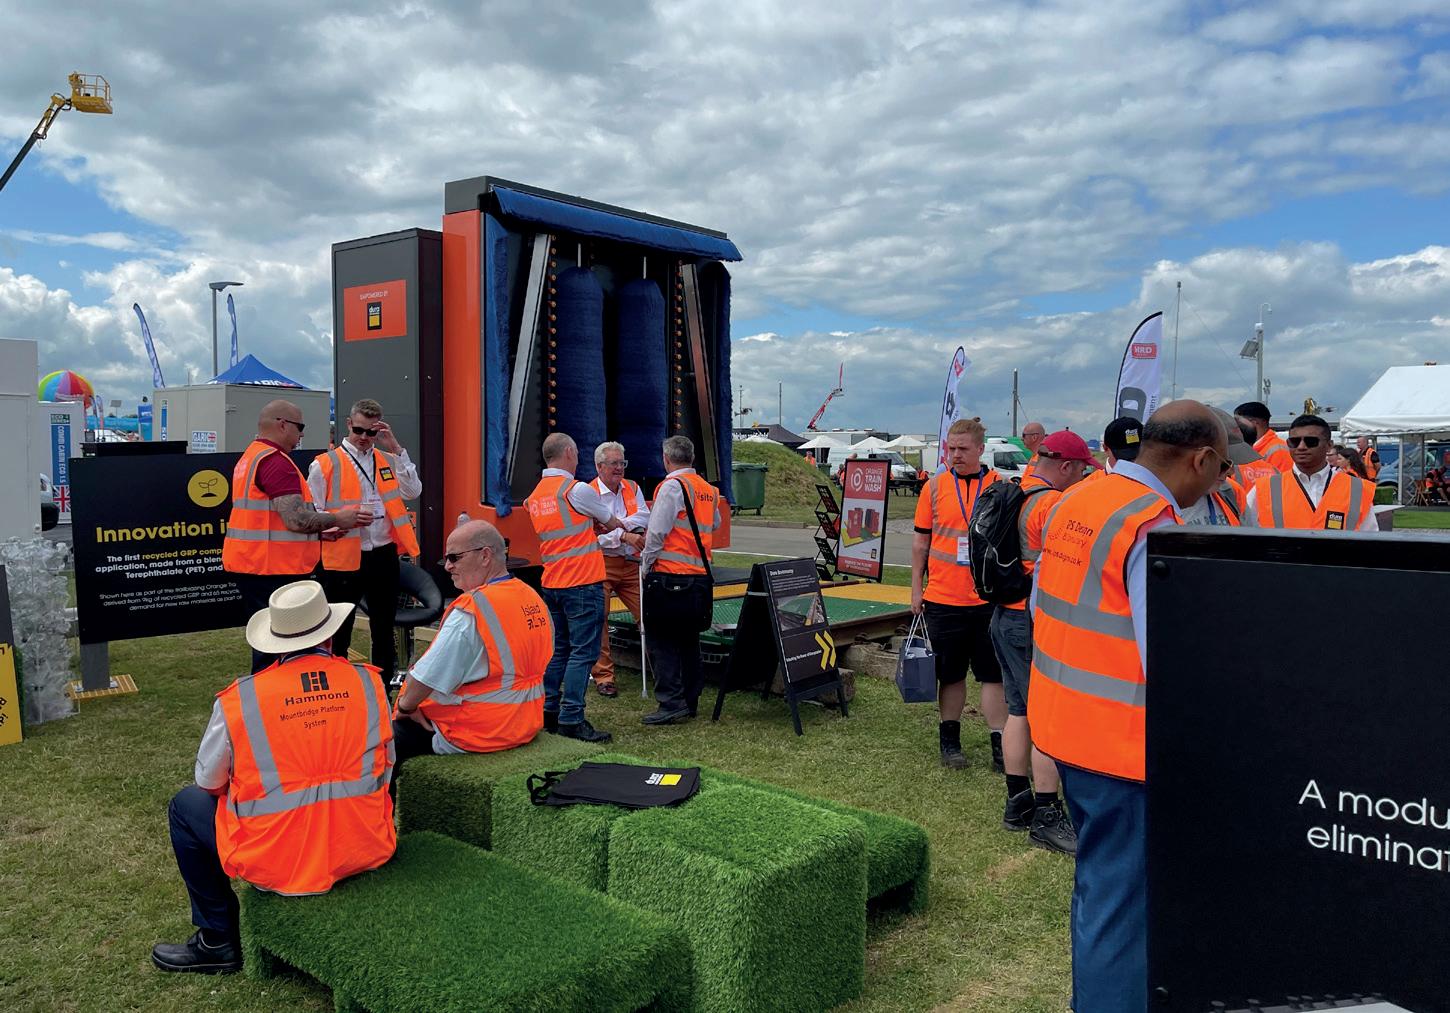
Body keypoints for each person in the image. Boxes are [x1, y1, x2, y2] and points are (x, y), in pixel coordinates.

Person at [1029, 400, 1228, 1011]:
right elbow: (1167, 657)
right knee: (1122, 903)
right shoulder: (1151, 525)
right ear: (1201, 459)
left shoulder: (1079, 500)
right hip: (1124, 750)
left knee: (1102, 889)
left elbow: (1043, 605)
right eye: (1223, 468)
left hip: (1067, 729)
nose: (1220, 482)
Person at [152, 580, 394, 975]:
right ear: (330, 634)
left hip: (280, 862)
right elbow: (386, 764)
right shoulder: (369, 682)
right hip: (364, 845)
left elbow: (208, 782)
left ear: (274, 642)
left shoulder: (242, 699)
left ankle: (217, 940)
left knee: (186, 806)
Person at [991, 430, 1092, 854]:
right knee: (1046, 717)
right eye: (1082, 470)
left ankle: (1018, 803)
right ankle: (1048, 814)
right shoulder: (1051, 504)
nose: (1083, 478)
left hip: (1003, 614)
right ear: (1066, 466)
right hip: (1031, 621)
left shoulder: (1015, 489)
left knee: (1019, 711)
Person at [223, 400, 371, 674]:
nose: (302, 434)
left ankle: (268, 693)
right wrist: (339, 518)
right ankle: (277, 696)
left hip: (257, 566)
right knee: (282, 650)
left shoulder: (251, 457)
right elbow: (296, 519)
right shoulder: (276, 463)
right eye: (300, 426)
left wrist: (319, 534)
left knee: (270, 645)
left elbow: (273, 522)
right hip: (274, 572)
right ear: (282, 425)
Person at [391, 520, 551, 762]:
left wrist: (405, 708)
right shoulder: (531, 597)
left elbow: (425, 679)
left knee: (377, 741)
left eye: (454, 557)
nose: (448, 566)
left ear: (485, 556)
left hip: (474, 731)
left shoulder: (472, 611)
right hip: (524, 723)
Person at [911, 417, 1006, 771]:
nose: (955, 455)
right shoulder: (934, 487)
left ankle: (1001, 744)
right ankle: (949, 741)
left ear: (981, 449)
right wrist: (916, 590)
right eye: (951, 448)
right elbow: (920, 544)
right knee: (950, 675)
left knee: (993, 676)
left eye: (963, 449)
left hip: (988, 601)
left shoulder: (1000, 487)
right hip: (943, 600)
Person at [307, 398, 422, 685]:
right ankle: (341, 688)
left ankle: (382, 688)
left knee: (383, 628)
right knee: (339, 629)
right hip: (344, 555)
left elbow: (413, 490)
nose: (364, 438)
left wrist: (396, 447)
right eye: (359, 430)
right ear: (348, 424)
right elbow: (312, 512)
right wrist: (339, 520)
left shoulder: (387, 459)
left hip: (382, 554)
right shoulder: (325, 464)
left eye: (371, 432)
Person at [525, 432, 624, 743]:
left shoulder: (537, 495)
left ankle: (549, 711)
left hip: (553, 581)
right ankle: (572, 718)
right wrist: (613, 526)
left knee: (559, 651)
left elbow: (565, 530)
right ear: (568, 452)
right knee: (583, 653)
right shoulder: (576, 489)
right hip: (582, 581)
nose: (579, 458)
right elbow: (610, 520)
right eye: (577, 453)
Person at [640, 435, 720, 725]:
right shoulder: (707, 490)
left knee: (662, 641)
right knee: (689, 640)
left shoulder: (672, 487)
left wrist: (646, 564)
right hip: (698, 578)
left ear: (666, 459)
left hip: (669, 577)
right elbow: (714, 523)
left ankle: (671, 702)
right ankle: (690, 699)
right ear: (692, 458)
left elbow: (657, 532)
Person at [589, 441, 650, 697]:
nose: (619, 468)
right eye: (613, 463)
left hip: (631, 563)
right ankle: (603, 677)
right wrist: (624, 534)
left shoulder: (632, 487)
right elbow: (592, 536)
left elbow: (644, 517)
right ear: (599, 466)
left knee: (649, 613)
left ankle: (661, 666)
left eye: (622, 463)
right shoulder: (588, 493)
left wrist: (614, 525)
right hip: (601, 563)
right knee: (598, 619)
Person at [1247, 414, 1378, 531]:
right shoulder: (1264, 489)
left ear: (1329, 445)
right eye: (1294, 442)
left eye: (1311, 442)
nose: (1301, 447)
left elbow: (1370, 540)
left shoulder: (1357, 490)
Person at [1234, 401, 1292, 472]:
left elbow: (1283, 478)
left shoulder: (1279, 450)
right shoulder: (1250, 448)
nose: (1235, 426)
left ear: (1254, 422)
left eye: (1237, 422)